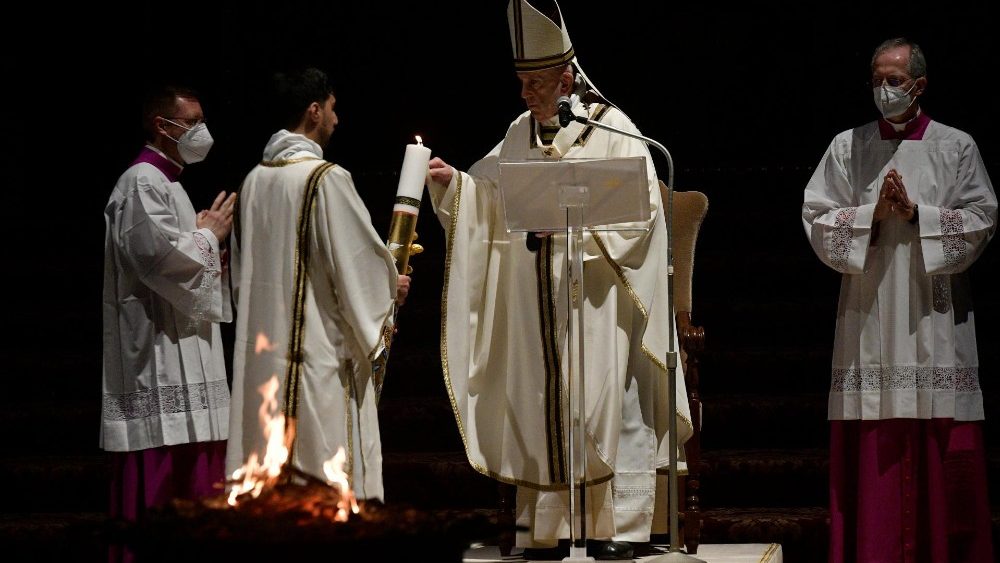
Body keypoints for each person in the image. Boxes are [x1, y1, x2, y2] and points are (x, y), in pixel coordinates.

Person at [427, 1, 691, 559]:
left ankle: (615, 530)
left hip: (595, 298)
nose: (526, 94)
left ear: (567, 77)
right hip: (536, 299)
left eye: (537, 83)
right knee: (539, 400)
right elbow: (490, 197)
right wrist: (455, 187)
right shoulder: (518, 133)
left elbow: (643, 209)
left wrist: (578, 229)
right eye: (521, 82)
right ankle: (544, 532)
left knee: (602, 403)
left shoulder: (611, 127)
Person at [802, 37, 996, 563]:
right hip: (871, 315)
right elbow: (816, 218)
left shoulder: (956, 147)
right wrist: (872, 216)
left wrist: (916, 215)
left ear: (919, 84)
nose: (884, 89)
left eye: (894, 79)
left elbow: (982, 217)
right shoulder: (848, 147)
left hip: (931, 313)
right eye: (876, 79)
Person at [225, 67, 409, 501]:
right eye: (332, 109)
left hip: (262, 360)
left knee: (271, 479)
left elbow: (242, 280)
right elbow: (355, 262)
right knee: (324, 473)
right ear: (313, 110)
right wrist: (390, 288)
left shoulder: (253, 181)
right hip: (318, 356)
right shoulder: (325, 179)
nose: (336, 119)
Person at [101, 84, 236, 560]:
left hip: (184, 345)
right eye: (192, 121)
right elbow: (154, 261)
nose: (202, 132)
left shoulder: (170, 184)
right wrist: (205, 237)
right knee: (165, 472)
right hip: (158, 355)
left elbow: (182, 262)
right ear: (163, 125)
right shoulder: (141, 182)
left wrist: (207, 243)